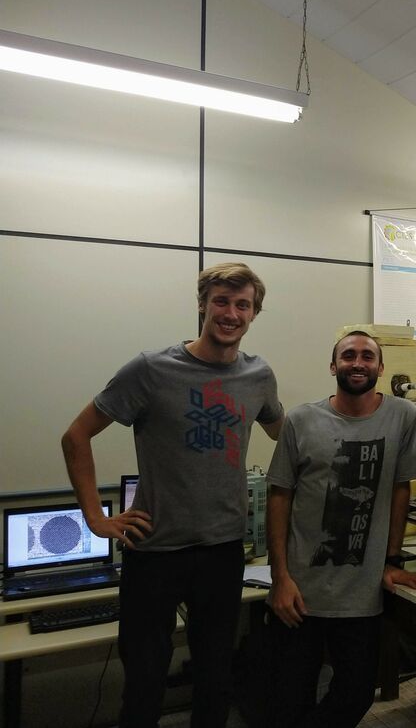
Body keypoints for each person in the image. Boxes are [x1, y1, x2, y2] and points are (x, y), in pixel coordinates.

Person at [62, 262, 284, 728]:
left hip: (223, 549)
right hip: (154, 550)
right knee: (144, 684)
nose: (230, 313)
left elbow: (284, 435)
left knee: (215, 680)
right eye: (221, 301)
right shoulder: (151, 369)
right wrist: (95, 518)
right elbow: (76, 436)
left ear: (254, 313)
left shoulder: (258, 375)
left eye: (242, 305)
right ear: (202, 305)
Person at [265, 330, 416, 728]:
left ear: (380, 367)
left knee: (356, 695)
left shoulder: (403, 416)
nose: (358, 363)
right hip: (300, 591)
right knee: (290, 698)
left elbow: (401, 488)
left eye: (367, 356)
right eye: (349, 355)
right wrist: (280, 577)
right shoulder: (301, 420)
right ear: (333, 366)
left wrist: (391, 560)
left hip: (361, 594)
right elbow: (279, 496)